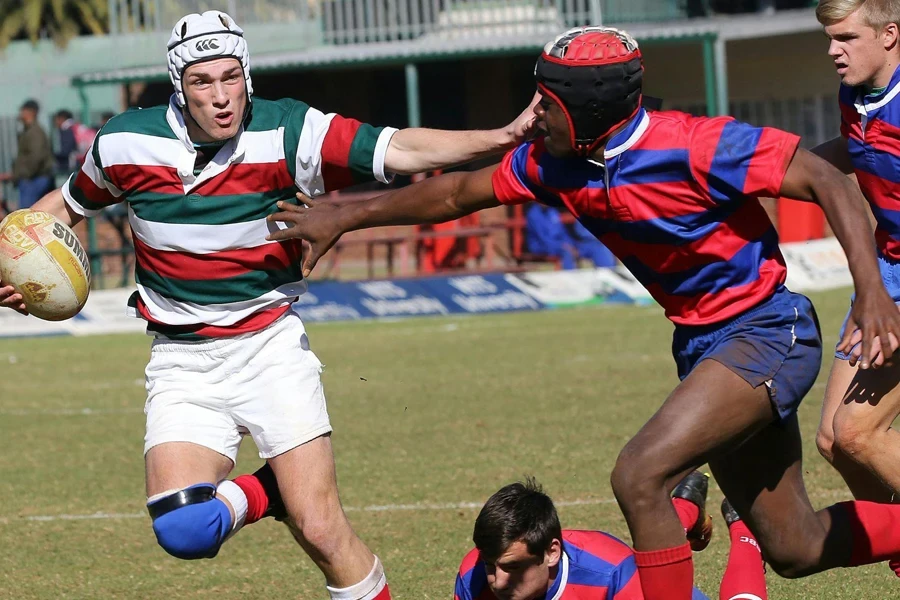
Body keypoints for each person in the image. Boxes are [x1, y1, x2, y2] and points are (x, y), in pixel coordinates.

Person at [266, 26, 900, 600]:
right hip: (704, 346)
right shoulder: (556, 162)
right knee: (795, 547)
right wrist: (347, 213)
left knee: (641, 474)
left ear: (587, 108)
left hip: (767, 331)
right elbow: (458, 191)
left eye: (547, 101)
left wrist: (871, 292)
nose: (534, 113)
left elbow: (828, 179)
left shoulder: (695, 143)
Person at [0, 11, 536, 600]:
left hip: (268, 349)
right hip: (180, 362)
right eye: (203, 82)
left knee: (323, 531)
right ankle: (275, 490)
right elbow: (67, 204)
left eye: (232, 77)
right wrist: (16, 262)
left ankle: (298, 503)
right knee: (184, 530)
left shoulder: (289, 130)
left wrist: (502, 137)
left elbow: (400, 148)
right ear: (179, 85)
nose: (222, 97)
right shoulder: (126, 140)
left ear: (247, 75)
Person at [811, 0, 900, 516]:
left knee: (859, 433)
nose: (832, 50)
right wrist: (780, 170)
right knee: (832, 440)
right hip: (885, 275)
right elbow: (856, 148)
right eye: (829, 37)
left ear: (889, 35)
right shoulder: (855, 95)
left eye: (845, 38)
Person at [454, 475, 767, 600]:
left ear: (551, 553)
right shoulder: (473, 575)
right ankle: (684, 507)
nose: (497, 581)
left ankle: (743, 526)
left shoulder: (614, 576)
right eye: (491, 566)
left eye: (512, 567)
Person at [0, 99, 55, 209]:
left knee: (26, 215)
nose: (21, 114)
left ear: (31, 112)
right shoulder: (28, 131)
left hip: (34, 179)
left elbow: (35, 157)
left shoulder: (34, 132)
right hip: (31, 178)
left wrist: (18, 174)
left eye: (23, 110)